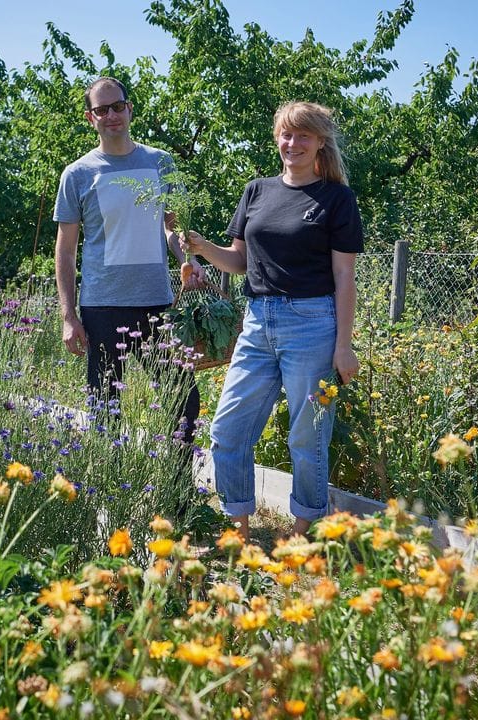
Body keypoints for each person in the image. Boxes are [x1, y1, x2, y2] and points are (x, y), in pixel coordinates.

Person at [180, 100, 362, 539]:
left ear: (320, 142)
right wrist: (203, 249)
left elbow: (343, 275)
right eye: (286, 133)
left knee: (307, 436)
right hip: (257, 321)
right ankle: (238, 528)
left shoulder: (336, 198)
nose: (292, 143)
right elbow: (240, 262)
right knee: (227, 429)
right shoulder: (257, 191)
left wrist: (344, 343)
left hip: (313, 323)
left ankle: (303, 532)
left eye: (303, 135)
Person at [54, 76, 205, 444]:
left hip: (158, 303)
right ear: (91, 118)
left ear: (130, 109)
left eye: (117, 106)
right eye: (101, 110)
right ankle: (109, 497)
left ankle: (178, 498)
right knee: (105, 408)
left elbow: (172, 229)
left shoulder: (160, 163)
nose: (111, 116)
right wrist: (69, 316)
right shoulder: (77, 174)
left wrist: (188, 259)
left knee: (183, 400)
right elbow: (65, 250)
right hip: (102, 307)